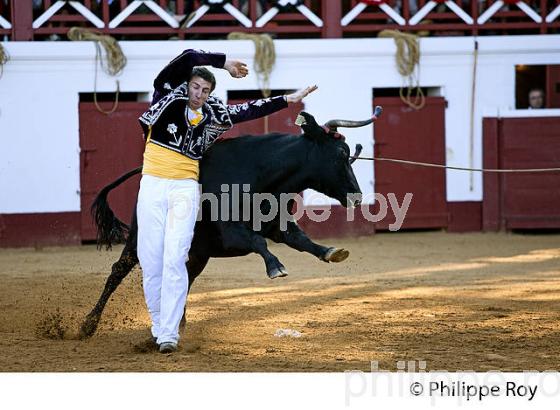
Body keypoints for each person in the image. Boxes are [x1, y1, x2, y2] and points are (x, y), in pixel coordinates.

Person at [137, 49, 317, 353]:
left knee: (175, 258)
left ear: (210, 93)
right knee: (150, 259)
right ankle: (159, 323)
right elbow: (188, 56)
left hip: (184, 187)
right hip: (153, 184)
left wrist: (289, 98)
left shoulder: (214, 112)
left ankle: (168, 333)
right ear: (187, 84)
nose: (198, 93)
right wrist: (223, 63)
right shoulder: (166, 94)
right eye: (195, 87)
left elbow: (249, 109)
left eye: (205, 90)